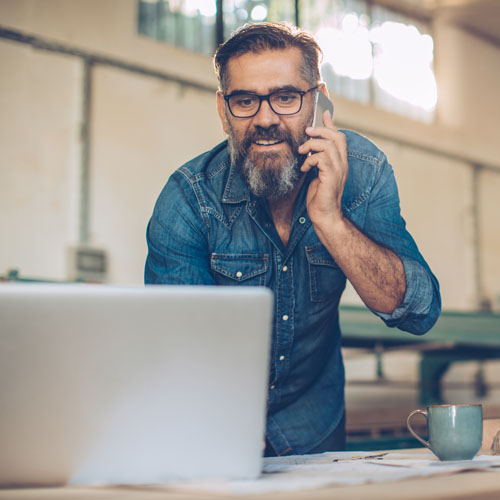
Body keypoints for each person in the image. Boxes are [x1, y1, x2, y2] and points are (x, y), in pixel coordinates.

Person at [145, 22, 441, 456]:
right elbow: (177, 350)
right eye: (245, 101)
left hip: (314, 424)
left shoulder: (361, 172)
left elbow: (420, 312)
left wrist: (331, 221)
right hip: (213, 424)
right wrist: (231, 432)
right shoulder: (188, 199)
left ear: (319, 99)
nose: (265, 119)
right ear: (223, 111)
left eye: (286, 97)